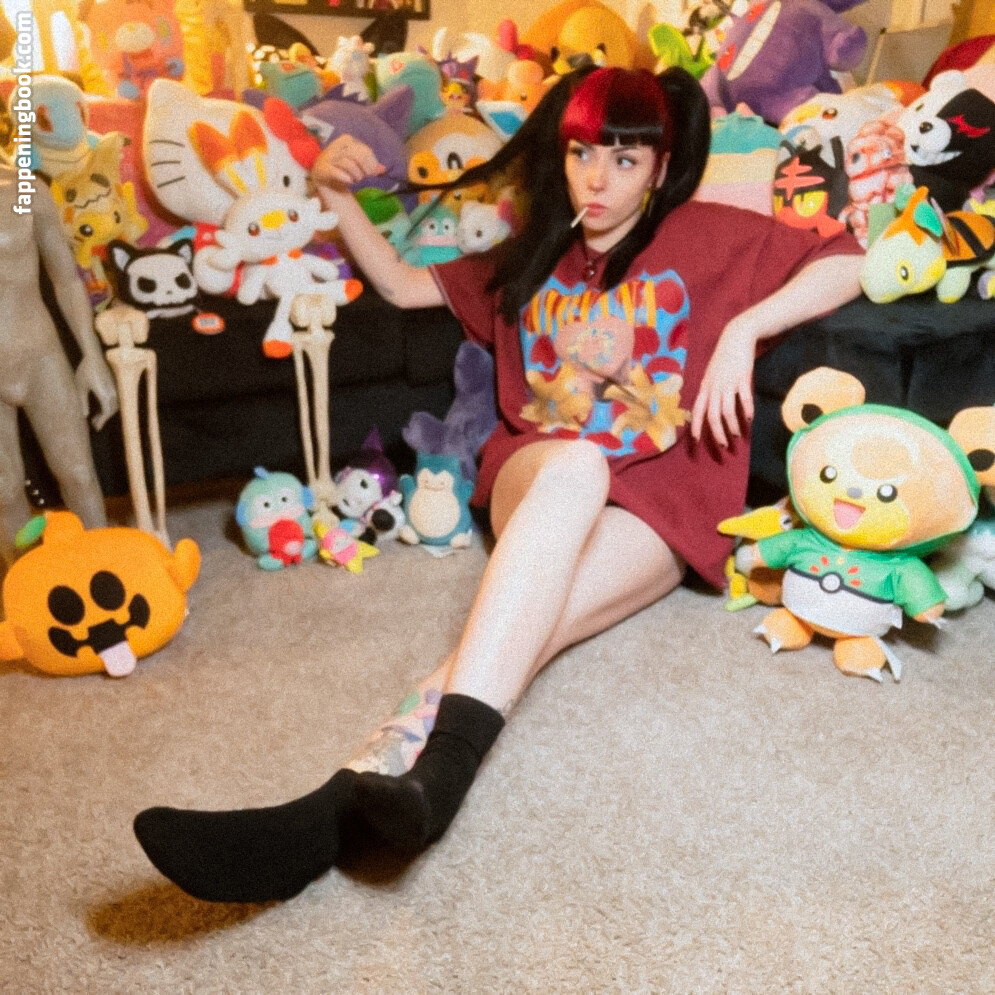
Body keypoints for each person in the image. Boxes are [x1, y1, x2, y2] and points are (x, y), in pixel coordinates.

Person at [133, 67, 865, 902]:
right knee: (578, 465)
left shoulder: (707, 235)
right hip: (542, 473)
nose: (597, 179)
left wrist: (743, 328)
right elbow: (401, 283)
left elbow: (849, 257)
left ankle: (351, 801)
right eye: (583, 154)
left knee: (516, 631)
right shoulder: (530, 256)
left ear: (660, 168)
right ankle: (434, 774)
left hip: (660, 506)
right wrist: (331, 194)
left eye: (625, 161)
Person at [0, 159, 118, 570]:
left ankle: (105, 572)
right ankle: (24, 590)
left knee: (78, 473)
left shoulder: (24, 189)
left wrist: (92, 357)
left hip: (39, 353)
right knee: (4, 491)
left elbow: (66, 279)